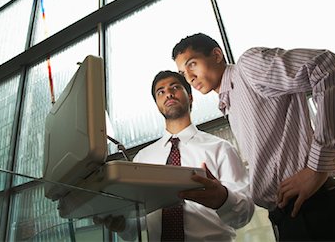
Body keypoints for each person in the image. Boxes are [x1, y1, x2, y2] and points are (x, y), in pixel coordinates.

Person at [172, 33, 335, 241]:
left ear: (216, 54)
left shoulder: (247, 68)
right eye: (183, 72)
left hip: (315, 210)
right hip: (289, 217)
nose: (189, 77)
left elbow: (334, 69)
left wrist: (317, 167)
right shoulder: (230, 103)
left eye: (192, 64)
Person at [95, 70, 254, 241]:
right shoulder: (142, 159)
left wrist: (223, 199)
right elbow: (141, 225)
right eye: (160, 92)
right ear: (157, 104)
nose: (168, 93)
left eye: (175, 87)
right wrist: (123, 226)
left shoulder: (220, 148)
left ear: (190, 97)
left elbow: (244, 215)